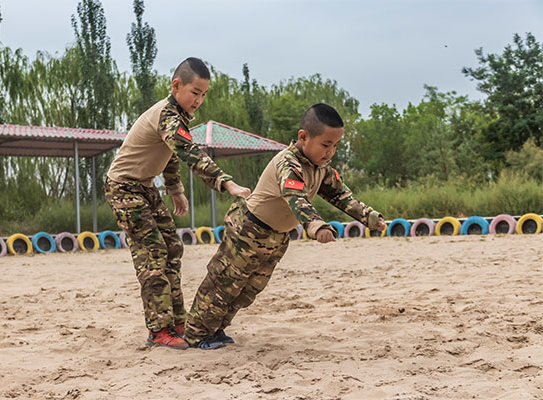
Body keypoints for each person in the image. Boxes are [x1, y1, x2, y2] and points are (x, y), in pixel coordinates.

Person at [185, 103, 386, 349]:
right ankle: (196, 335)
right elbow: (296, 198)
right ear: (303, 137)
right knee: (224, 284)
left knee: (247, 291)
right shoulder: (288, 163)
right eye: (325, 145)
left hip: (276, 238)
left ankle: (216, 331)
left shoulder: (321, 167)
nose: (330, 152)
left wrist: (369, 217)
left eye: (335, 146)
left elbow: (341, 195)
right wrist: (316, 226)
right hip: (248, 231)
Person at [105, 57, 250, 350]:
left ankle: (176, 321)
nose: (199, 100)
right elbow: (186, 150)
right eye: (195, 92)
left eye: (204, 94)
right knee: (153, 253)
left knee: (173, 247)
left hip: (144, 188)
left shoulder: (178, 117)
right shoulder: (167, 116)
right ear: (176, 86)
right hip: (124, 187)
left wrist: (175, 190)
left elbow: (170, 154)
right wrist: (225, 182)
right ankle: (159, 330)